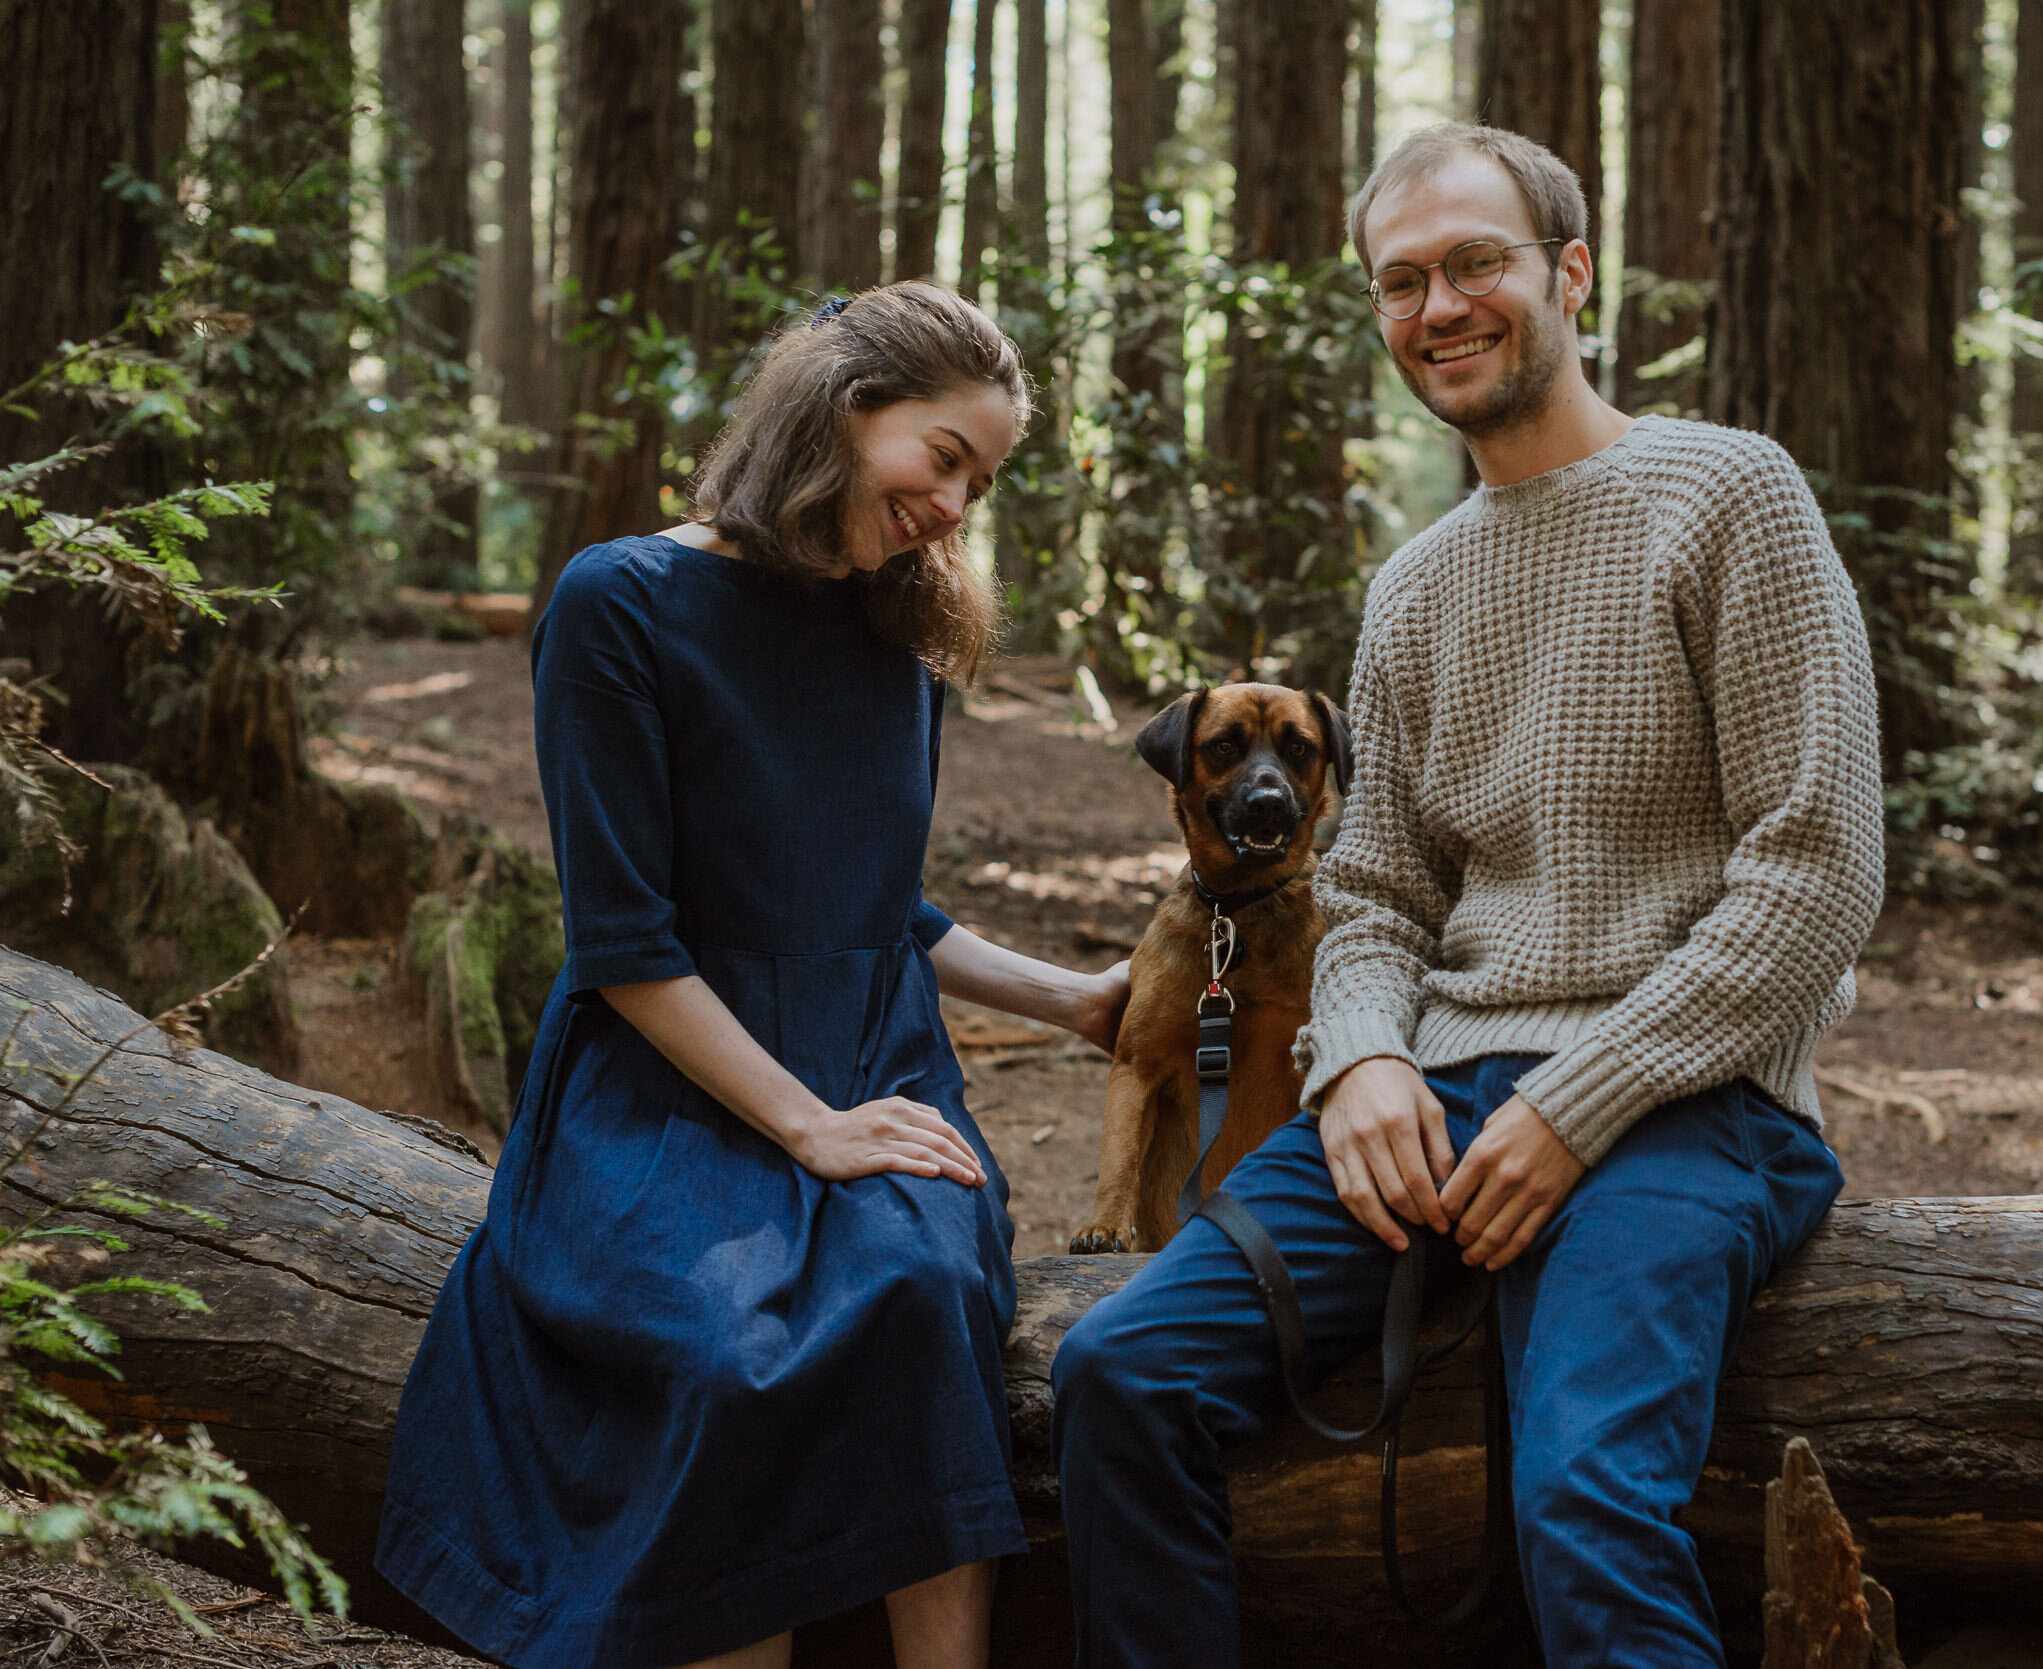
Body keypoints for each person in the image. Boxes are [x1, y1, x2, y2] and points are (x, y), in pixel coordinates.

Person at [1049, 123, 1886, 1666]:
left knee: (1580, 1496)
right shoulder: (1415, 586)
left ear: (1571, 273)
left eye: (1477, 262)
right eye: (1403, 280)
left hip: (1689, 1101)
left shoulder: (1729, 497)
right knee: (1118, 1370)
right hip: (1427, 1102)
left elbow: (1818, 872)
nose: (1440, 304)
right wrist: (1361, 1056)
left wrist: (1581, 1101)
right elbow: (1372, 894)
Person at [377, 282, 1128, 1669]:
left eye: (983, 480)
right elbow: (625, 943)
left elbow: (874, 905)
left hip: (875, 1065)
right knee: (732, 1349)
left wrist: (1075, 1001)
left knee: (916, 1294)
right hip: (659, 1093)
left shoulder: (900, 638)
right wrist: (807, 1127)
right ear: (847, 409)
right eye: (946, 459)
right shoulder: (619, 603)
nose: (959, 506)